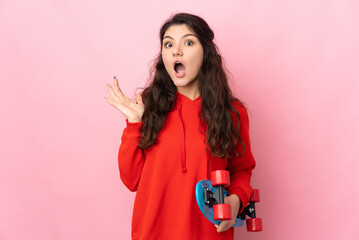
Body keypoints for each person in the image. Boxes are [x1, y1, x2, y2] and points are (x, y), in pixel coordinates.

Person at [105, 13, 256, 240]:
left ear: (205, 53)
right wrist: (135, 125)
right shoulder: (148, 107)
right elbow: (131, 180)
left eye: (188, 42)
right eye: (168, 44)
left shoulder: (232, 113)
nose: (176, 51)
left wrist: (235, 201)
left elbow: (242, 170)